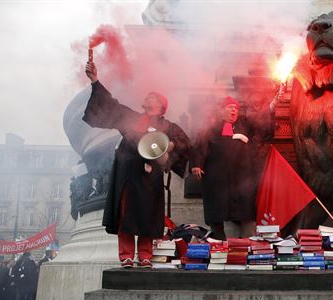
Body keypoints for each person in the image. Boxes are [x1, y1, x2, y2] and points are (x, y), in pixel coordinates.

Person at [84, 61, 191, 268]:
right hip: (128, 173)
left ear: (161, 104)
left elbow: (184, 145)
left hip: (150, 178)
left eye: (151, 96)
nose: (146, 97)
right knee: (126, 214)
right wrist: (95, 80)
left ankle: (144, 256)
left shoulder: (168, 126)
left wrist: (170, 145)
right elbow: (110, 105)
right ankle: (126, 256)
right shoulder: (132, 118)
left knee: (147, 215)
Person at [190, 95, 276, 240]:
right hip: (216, 176)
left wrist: (271, 105)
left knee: (246, 211)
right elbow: (200, 145)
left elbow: (260, 121)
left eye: (235, 108)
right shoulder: (211, 126)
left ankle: (248, 244)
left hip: (242, 177)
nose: (233, 110)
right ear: (221, 110)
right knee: (216, 212)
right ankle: (218, 244)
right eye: (230, 107)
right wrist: (196, 165)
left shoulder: (245, 123)